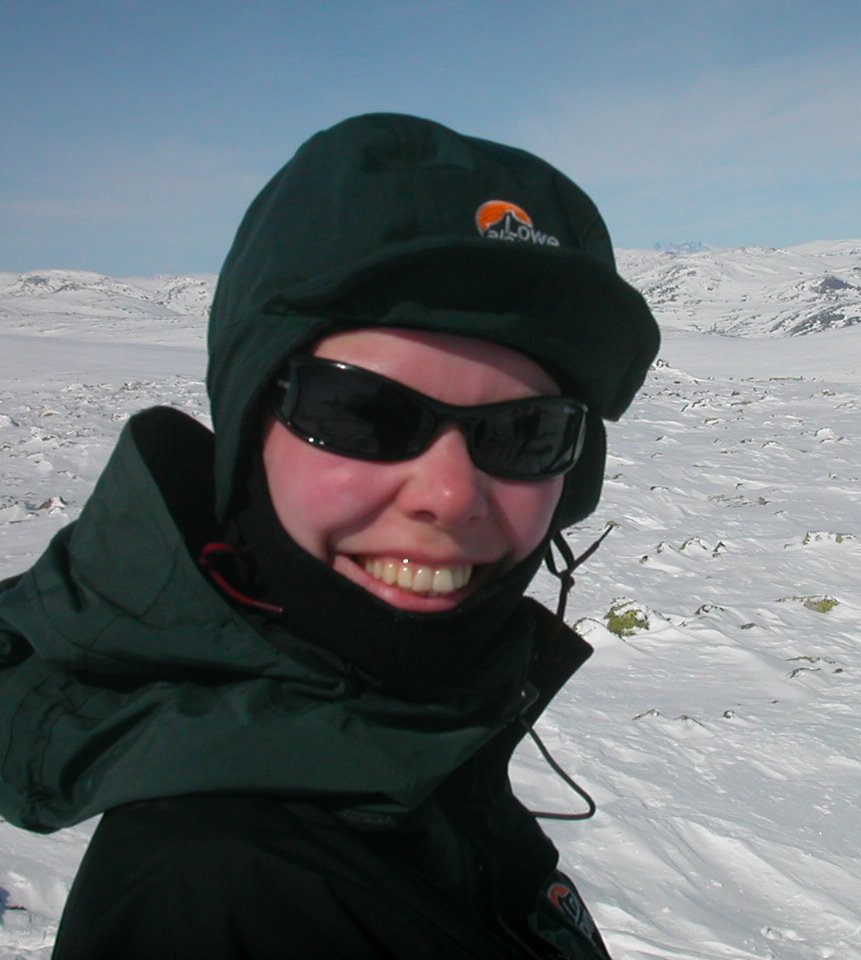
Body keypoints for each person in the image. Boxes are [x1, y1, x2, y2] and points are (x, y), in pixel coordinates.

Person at [0, 113, 659, 958]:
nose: (450, 494)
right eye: (362, 412)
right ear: (249, 434)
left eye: (526, 432)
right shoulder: (221, 899)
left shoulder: (409, 741)